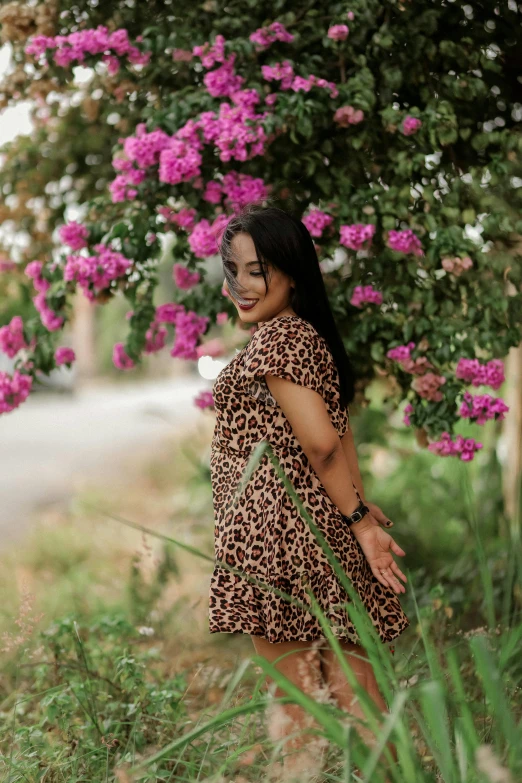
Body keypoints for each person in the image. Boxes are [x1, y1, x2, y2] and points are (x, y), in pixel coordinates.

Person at [208, 202, 409, 779]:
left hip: (277, 539)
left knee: (295, 699)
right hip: (317, 531)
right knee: (356, 688)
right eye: (233, 269)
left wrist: (362, 522)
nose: (241, 285)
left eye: (257, 269)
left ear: (293, 272)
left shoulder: (277, 343)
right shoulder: (306, 336)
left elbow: (321, 444)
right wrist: (358, 516)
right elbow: (341, 437)